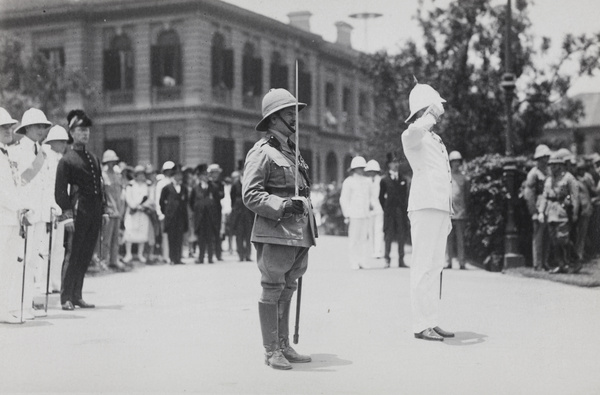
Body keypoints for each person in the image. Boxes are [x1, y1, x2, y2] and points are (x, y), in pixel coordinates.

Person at [242, 88, 317, 370]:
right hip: (274, 231)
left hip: (298, 233)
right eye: (288, 113)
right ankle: (271, 349)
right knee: (273, 287)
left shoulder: (291, 151)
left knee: (289, 286)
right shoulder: (262, 152)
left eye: (294, 112)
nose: (294, 117)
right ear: (273, 119)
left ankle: (284, 344)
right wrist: (283, 205)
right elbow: (250, 194)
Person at [401, 82, 455, 342]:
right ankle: (421, 323)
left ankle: (432, 319)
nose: (440, 114)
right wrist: (428, 116)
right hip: (423, 205)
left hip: (439, 206)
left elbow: (444, 176)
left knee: (436, 266)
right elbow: (411, 133)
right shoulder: (414, 135)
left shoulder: (435, 139)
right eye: (435, 108)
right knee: (422, 265)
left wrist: (448, 209)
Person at [55, 109, 107, 311]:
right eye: (80, 130)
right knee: (73, 254)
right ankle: (65, 297)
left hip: (93, 212)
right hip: (77, 212)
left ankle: (77, 295)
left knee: (85, 254)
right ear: (72, 133)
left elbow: (100, 187)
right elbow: (60, 192)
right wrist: (67, 216)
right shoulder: (66, 160)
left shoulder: (93, 158)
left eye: (87, 130)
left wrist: (103, 211)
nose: (85, 134)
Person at [12, 108, 52, 317]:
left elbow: (46, 184)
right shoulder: (16, 151)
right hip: (25, 213)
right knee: (22, 260)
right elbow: (18, 183)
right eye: (37, 126)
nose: (41, 130)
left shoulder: (43, 152)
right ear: (26, 128)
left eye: (43, 127)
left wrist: (51, 205)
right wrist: (22, 207)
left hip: (40, 213)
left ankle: (28, 303)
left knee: (34, 260)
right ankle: (19, 304)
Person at [0, 108, 33, 324]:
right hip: (3, 215)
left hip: (11, 217)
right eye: (3, 127)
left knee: (10, 264)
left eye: (10, 127)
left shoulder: (7, 153)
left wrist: (22, 206)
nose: (8, 130)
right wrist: (17, 206)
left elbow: (15, 184)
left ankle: (5, 307)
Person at [538, 150, 580, 274]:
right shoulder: (549, 180)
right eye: (551, 165)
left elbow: (575, 196)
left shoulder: (568, 178)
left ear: (561, 165)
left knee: (563, 239)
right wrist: (541, 211)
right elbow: (544, 196)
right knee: (554, 241)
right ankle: (561, 264)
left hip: (563, 211)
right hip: (551, 212)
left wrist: (575, 212)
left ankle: (574, 260)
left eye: (555, 165)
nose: (552, 168)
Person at [42, 125, 70, 292]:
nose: (63, 145)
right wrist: (50, 205)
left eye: (64, 142)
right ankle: (43, 282)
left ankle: (55, 282)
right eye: (60, 141)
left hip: (60, 207)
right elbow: (46, 185)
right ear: (51, 141)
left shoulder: (62, 159)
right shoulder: (44, 157)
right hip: (48, 207)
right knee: (45, 248)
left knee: (59, 247)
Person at [339, 156, 373, 270]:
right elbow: (344, 199)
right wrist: (347, 214)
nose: (361, 170)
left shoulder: (367, 181)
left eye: (362, 167)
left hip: (365, 214)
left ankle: (363, 261)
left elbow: (370, 197)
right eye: (359, 167)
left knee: (364, 239)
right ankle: (353, 261)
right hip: (354, 214)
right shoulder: (349, 181)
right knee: (354, 239)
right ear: (353, 169)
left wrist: (370, 208)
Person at [523, 144, 551, 270]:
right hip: (538, 206)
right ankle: (537, 263)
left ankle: (545, 262)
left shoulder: (548, 172)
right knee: (538, 236)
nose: (546, 160)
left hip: (549, 206)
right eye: (543, 157)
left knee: (547, 236)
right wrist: (533, 211)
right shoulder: (533, 174)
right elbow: (529, 194)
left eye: (547, 157)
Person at [379, 153, 409, 268]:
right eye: (393, 162)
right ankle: (387, 258)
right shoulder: (384, 180)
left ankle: (401, 259)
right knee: (389, 235)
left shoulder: (403, 179)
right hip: (389, 212)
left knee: (401, 234)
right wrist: (386, 208)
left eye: (397, 162)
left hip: (400, 211)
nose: (396, 165)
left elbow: (405, 196)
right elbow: (381, 197)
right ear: (389, 164)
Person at [190, 164, 220, 264]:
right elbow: (191, 202)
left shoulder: (214, 187)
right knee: (201, 238)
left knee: (210, 237)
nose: (207, 177)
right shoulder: (196, 188)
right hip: (200, 216)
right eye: (204, 175)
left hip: (210, 216)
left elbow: (217, 201)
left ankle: (211, 257)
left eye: (207, 174)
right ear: (200, 176)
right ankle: (201, 257)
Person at [101, 150, 126, 271]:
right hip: (109, 209)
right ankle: (104, 260)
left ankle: (114, 260)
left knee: (116, 237)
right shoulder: (103, 175)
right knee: (107, 237)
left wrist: (121, 207)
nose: (112, 164)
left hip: (118, 209)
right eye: (109, 162)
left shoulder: (117, 175)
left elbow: (120, 192)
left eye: (113, 161)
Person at [123, 165, 153, 263]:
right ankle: (128, 254)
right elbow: (128, 198)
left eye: (142, 174)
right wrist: (134, 206)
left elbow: (150, 198)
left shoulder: (148, 185)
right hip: (133, 212)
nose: (141, 176)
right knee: (130, 231)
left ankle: (140, 254)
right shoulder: (130, 185)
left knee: (142, 231)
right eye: (138, 174)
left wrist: (143, 206)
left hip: (143, 212)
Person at [159, 165, 188, 265]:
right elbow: (161, 201)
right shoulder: (167, 188)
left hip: (180, 216)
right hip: (171, 216)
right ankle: (172, 258)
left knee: (179, 237)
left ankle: (178, 258)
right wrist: (166, 212)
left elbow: (185, 202)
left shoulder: (183, 188)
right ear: (173, 176)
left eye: (180, 175)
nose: (179, 177)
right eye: (177, 175)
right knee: (172, 237)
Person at [446, 151, 470, 270]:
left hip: (460, 212)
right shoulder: (446, 176)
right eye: (454, 161)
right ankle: (448, 261)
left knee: (460, 239)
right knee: (448, 239)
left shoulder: (464, 177)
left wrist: (465, 209)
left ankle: (462, 261)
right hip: (448, 212)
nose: (456, 164)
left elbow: (467, 194)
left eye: (458, 161)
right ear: (450, 163)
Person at [230, 169, 254, 262]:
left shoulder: (250, 183)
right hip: (238, 213)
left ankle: (247, 254)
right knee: (239, 235)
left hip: (248, 212)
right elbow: (232, 197)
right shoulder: (235, 185)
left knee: (248, 234)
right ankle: (240, 254)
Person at [364, 159, 384, 259]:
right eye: (370, 171)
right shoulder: (365, 181)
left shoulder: (381, 180)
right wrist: (368, 204)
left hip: (379, 208)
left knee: (379, 230)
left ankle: (378, 250)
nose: (372, 173)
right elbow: (365, 195)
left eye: (373, 171)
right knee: (370, 231)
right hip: (369, 208)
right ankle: (372, 250)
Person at [207, 163, 225, 261]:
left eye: (216, 173)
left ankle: (218, 253)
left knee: (217, 231)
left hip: (217, 208)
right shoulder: (208, 183)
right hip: (209, 209)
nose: (215, 175)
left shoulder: (220, 184)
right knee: (209, 231)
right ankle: (210, 252)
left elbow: (221, 195)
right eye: (213, 173)